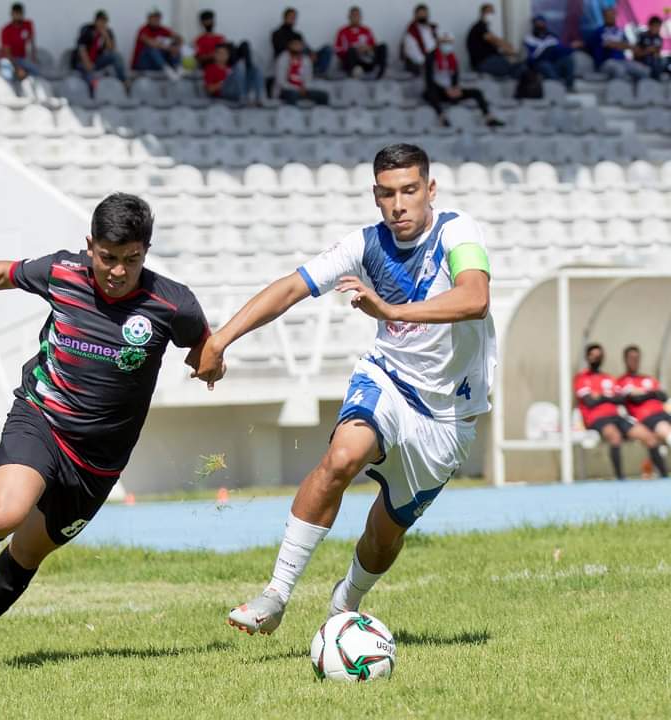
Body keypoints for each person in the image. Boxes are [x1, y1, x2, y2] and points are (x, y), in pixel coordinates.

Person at [0, 193, 210, 666]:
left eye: (131, 259)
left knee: (27, 554)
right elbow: (1, 274)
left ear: (146, 252)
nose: (118, 271)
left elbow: (201, 344)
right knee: (3, 515)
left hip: (99, 460)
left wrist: (211, 362)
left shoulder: (171, 303)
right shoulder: (62, 272)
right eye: (107, 258)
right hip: (43, 418)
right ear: (89, 246)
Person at [193, 144, 497, 635]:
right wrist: (220, 340)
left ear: (430, 190)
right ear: (375, 196)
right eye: (388, 194)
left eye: (410, 191)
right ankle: (276, 594)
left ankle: (346, 601)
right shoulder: (364, 244)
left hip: (448, 414)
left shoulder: (458, 231)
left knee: (385, 533)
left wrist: (391, 311)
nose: (399, 204)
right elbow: (290, 288)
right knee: (341, 457)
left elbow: (474, 297)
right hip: (388, 378)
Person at [574, 343, 665, 480]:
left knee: (650, 438)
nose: (596, 358)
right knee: (615, 437)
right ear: (587, 357)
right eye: (593, 355)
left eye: (599, 355)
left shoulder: (608, 378)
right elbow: (589, 402)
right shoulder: (582, 377)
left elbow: (621, 399)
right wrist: (609, 397)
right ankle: (620, 479)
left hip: (616, 417)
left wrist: (600, 396)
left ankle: (664, 477)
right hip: (596, 418)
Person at [424, 34, 504, 128]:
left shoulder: (452, 58)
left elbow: (455, 76)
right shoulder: (431, 57)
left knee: (477, 92)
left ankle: (489, 118)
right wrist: (445, 90)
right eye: (444, 42)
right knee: (431, 93)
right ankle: (442, 118)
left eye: (449, 42)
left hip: (451, 90)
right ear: (438, 43)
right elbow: (429, 80)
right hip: (438, 90)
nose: (447, 45)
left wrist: (455, 88)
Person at [617, 345, 671, 452]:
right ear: (625, 359)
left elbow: (663, 396)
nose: (634, 361)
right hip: (646, 418)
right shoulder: (622, 381)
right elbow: (636, 399)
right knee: (664, 428)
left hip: (662, 413)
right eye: (631, 358)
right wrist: (652, 393)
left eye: (637, 358)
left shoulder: (648, 378)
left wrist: (643, 393)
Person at [74, 10, 128, 93]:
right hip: (83, 61)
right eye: (100, 21)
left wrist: (106, 37)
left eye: (104, 22)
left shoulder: (108, 32)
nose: (102, 24)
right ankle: (91, 92)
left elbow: (112, 50)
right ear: (95, 21)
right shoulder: (87, 30)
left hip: (97, 61)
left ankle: (123, 81)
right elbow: (81, 48)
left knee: (116, 56)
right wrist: (87, 63)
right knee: (90, 78)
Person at [589, 7, 649, 80]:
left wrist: (620, 45)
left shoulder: (620, 31)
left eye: (612, 15)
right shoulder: (599, 31)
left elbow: (630, 46)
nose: (611, 17)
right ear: (604, 17)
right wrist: (621, 45)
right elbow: (608, 44)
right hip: (605, 62)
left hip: (621, 60)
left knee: (642, 70)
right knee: (620, 70)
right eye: (608, 16)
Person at [466, 3, 525, 78]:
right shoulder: (479, 26)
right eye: (489, 12)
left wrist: (508, 48)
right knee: (513, 68)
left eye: (492, 12)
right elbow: (493, 40)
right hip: (483, 62)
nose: (491, 14)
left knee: (515, 66)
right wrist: (509, 48)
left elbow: (494, 42)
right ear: (483, 13)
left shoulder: (485, 28)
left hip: (490, 60)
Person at [524, 14, 580, 91]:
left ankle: (569, 86)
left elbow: (561, 49)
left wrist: (571, 47)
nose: (540, 25)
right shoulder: (529, 38)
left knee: (568, 60)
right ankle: (559, 87)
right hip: (540, 64)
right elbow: (533, 57)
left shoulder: (552, 37)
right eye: (538, 23)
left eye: (542, 23)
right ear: (534, 24)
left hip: (554, 63)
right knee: (545, 65)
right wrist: (544, 47)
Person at [271, 7, 332, 76]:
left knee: (327, 49)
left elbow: (305, 46)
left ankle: (318, 71)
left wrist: (311, 53)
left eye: (294, 17)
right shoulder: (277, 33)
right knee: (300, 51)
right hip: (290, 59)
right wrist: (295, 47)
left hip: (304, 56)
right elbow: (280, 49)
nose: (293, 19)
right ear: (285, 17)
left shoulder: (297, 34)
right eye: (291, 17)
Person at [273, 34, 329, 105]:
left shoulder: (306, 59)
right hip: (285, 90)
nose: (297, 46)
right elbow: (281, 81)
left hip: (303, 90)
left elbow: (308, 79)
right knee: (293, 94)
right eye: (294, 44)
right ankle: (291, 112)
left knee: (323, 96)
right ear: (289, 45)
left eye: (299, 44)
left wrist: (304, 88)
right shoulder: (282, 59)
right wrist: (297, 89)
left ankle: (321, 112)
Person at [334, 6, 387, 79]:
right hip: (351, 60)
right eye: (353, 15)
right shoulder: (343, 31)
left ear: (360, 17)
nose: (355, 18)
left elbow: (373, 45)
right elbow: (338, 49)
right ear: (349, 17)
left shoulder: (366, 30)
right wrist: (356, 49)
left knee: (383, 46)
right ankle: (353, 73)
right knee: (352, 50)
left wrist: (368, 48)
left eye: (357, 15)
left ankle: (380, 74)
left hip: (366, 58)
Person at [132, 7, 182, 77]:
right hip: (143, 64)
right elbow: (151, 43)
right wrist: (169, 48)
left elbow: (179, 38)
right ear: (148, 18)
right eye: (154, 17)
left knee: (175, 46)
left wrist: (176, 45)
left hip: (157, 63)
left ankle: (177, 68)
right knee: (151, 49)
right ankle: (167, 69)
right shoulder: (143, 29)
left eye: (158, 17)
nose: (156, 19)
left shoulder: (163, 29)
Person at [0, 3, 39, 80]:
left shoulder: (28, 24)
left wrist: (33, 57)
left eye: (20, 13)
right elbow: (7, 53)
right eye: (16, 14)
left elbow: (31, 42)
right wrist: (17, 68)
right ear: (11, 14)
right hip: (7, 60)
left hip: (22, 59)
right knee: (7, 76)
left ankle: (23, 79)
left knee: (36, 72)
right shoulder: (6, 30)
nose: (18, 16)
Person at [401, 4, 437, 75]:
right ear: (416, 15)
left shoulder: (432, 28)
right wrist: (423, 61)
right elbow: (411, 49)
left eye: (424, 13)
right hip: (420, 58)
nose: (423, 15)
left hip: (433, 56)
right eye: (421, 14)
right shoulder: (412, 30)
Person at [635, 15, 670, 79]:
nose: (657, 28)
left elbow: (657, 54)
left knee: (667, 59)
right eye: (655, 26)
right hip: (643, 63)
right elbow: (636, 55)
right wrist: (647, 51)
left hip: (655, 63)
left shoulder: (659, 38)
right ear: (649, 26)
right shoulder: (642, 36)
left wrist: (656, 54)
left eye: (659, 26)